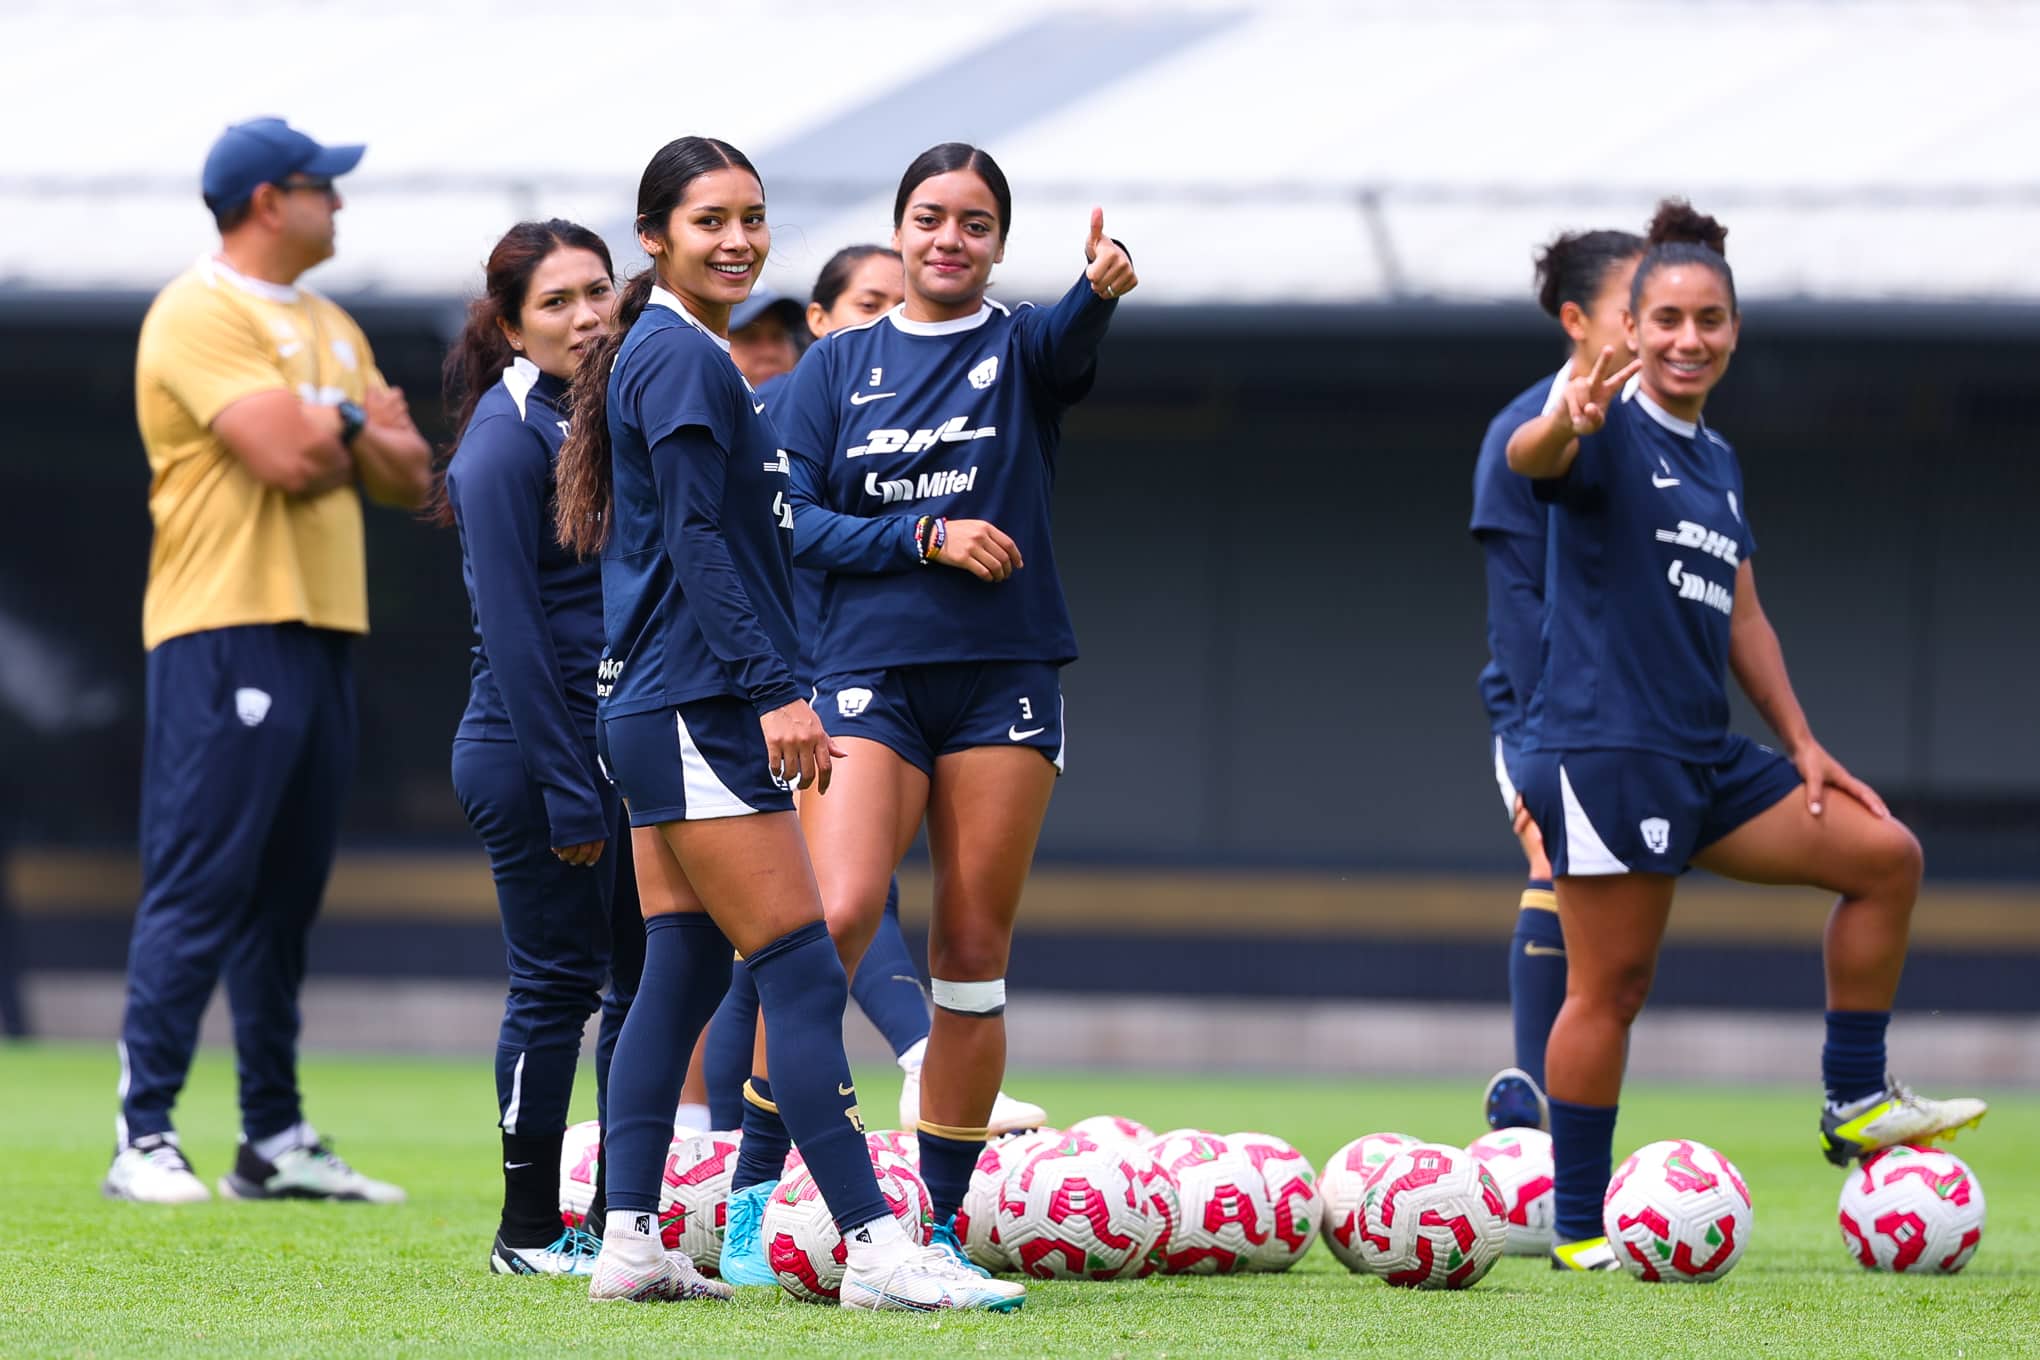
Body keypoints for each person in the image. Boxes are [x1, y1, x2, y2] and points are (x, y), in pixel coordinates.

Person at [552, 133, 1023, 1312]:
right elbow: (703, 545)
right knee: (803, 968)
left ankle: (629, 1237)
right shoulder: (677, 357)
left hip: (660, 707)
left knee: (681, 964)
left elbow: (707, 535)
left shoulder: (681, 351)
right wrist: (773, 686)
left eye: (752, 217)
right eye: (709, 220)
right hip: (699, 707)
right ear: (653, 239)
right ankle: (875, 1243)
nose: (739, 239)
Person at [1504, 201, 1988, 1271]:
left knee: (1884, 857)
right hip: (1607, 749)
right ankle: (1578, 1224)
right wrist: (1566, 422)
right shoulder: (1596, 419)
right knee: (1612, 989)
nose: (1688, 338)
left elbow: (1746, 612)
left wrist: (1805, 742)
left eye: (1710, 319)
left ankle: (1856, 1097)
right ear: (1627, 323)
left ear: (1733, 328)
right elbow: (1537, 460)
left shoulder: (1716, 455)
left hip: (1704, 755)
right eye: (1667, 317)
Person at [724, 142, 1133, 1278]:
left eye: (974, 223)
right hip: (866, 674)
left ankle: (941, 1223)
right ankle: (757, 1188)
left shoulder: (1024, 346)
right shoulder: (837, 363)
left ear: (999, 241)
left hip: (1005, 677)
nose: (950, 239)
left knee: (968, 952)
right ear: (898, 229)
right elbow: (789, 519)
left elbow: (1069, 336)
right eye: (929, 217)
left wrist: (1096, 290)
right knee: (837, 912)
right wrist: (923, 535)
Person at [107, 118, 429, 1204]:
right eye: (319, 188)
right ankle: (142, 1132)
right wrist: (345, 419)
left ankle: (272, 1137)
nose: (337, 204)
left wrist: (332, 420)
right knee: (203, 876)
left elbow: (408, 470)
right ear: (263, 202)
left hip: (324, 628)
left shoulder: (332, 321)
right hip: (222, 623)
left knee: (286, 893)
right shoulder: (196, 310)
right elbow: (287, 456)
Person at [699, 244, 1047, 1138]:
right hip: (784, 692)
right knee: (800, 918)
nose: (894, 324)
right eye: (866, 304)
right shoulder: (781, 408)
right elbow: (742, 539)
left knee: (827, 918)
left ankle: (723, 1127)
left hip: (876, 686)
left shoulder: (974, 383)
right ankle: (709, 1132)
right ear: (823, 327)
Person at [438, 218, 652, 1274]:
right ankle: (526, 1233)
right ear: (513, 325)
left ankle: (624, 1224)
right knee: (556, 987)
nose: (585, 315)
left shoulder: (610, 410)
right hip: (535, 757)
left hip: (616, 749)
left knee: (643, 983)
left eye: (598, 292)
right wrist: (570, 795)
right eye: (557, 301)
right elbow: (515, 638)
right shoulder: (501, 437)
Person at [1471, 226, 1644, 1133]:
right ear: (1578, 321)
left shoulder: (1665, 433)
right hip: (1551, 721)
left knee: (1619, 933)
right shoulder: (1522, 433)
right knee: (1558, 862)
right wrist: (1541, 743)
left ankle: (1560, 1116)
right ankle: (1533, 1114)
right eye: (1636, 310)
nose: (1658, 331)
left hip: (1647, 728)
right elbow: (1522, 614)